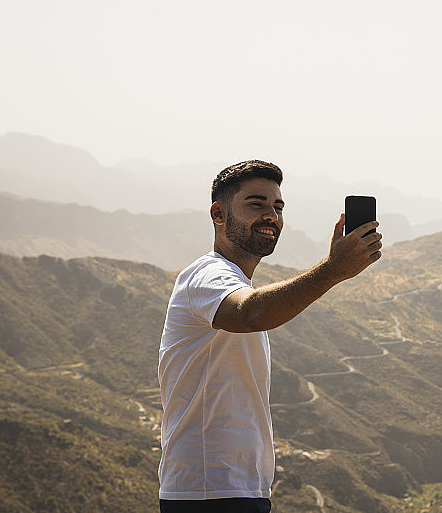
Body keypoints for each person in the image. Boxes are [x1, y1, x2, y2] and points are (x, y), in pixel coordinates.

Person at [158, 160, 382, 513]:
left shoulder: (230, 281)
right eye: (256, 204)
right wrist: (334, 270)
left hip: (234, 491)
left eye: (278, 207)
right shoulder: (206, 276)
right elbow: (252, 313)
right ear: (219, 214)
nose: (271, 215)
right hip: (209, 492)